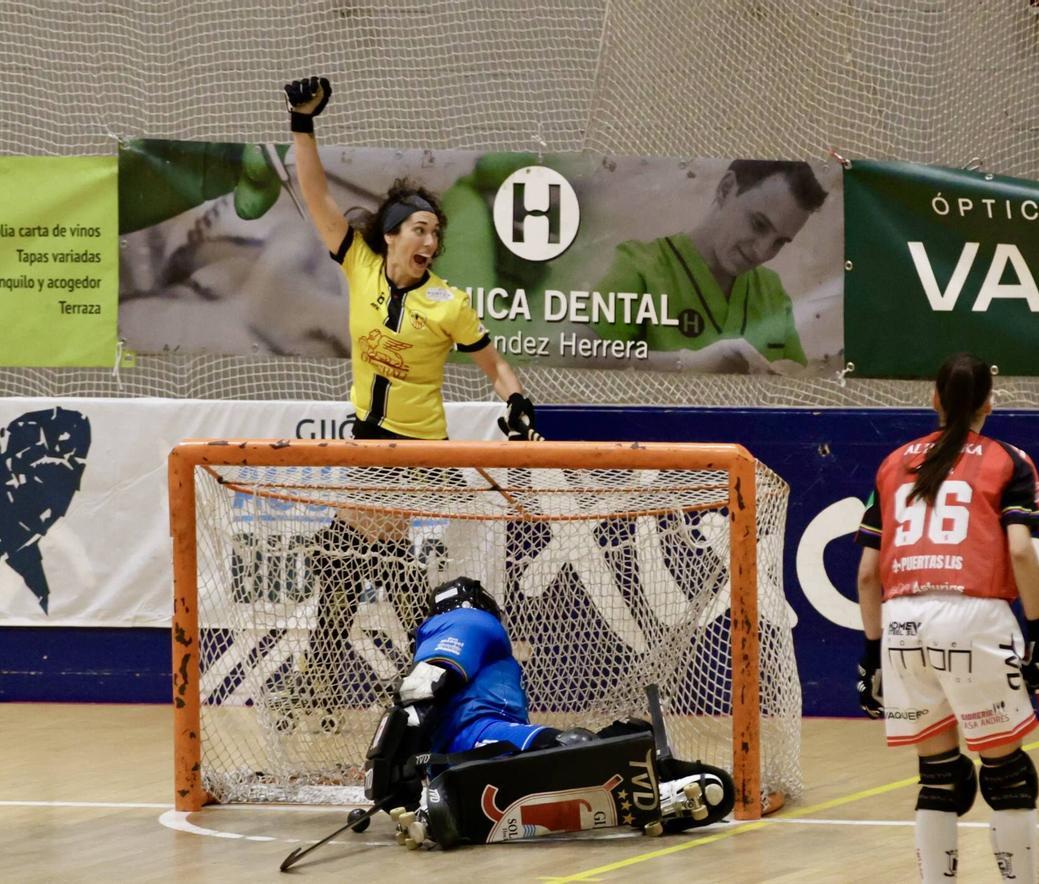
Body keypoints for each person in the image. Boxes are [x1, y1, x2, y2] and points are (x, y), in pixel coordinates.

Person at [271, 77, 543, 720]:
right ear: (391, 234)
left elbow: (495, 363)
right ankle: (439, 671)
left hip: (416, 450)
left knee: (341, 554)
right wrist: (300, 123)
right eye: (419, 229)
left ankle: (401, 676)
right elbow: (315, 196)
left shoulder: (447, 301)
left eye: (435, 235)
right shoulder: (360, 266)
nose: (429, 242)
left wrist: (518, 403)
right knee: (363, 562)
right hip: (368, 442)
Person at [852, 353, 1039, 884]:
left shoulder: (893, 462)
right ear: (989, 403)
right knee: (1009, 774)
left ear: (935, 400)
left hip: (901, 620)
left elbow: (868, 574)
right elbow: (1019, 552)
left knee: (939, 777)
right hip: (974, 616)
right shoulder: (1010, 460)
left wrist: (871, 653)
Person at [366, 576, 735, 848]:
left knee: (622, 736)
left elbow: (417, 697)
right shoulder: (469, 620)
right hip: (480, 737)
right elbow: (425, 685)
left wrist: (398, 775)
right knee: (579, 746)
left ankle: (436, 811)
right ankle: (661, 789)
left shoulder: (437, 629)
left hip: (448, 763)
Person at [590, 159, 828, 377]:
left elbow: (798, 377)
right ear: (726, 189)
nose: (762, 251)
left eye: (780, 242)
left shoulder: (772, 292)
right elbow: (566, 353)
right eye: (758, 224)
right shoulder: (640, 266)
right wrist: (685, 363)